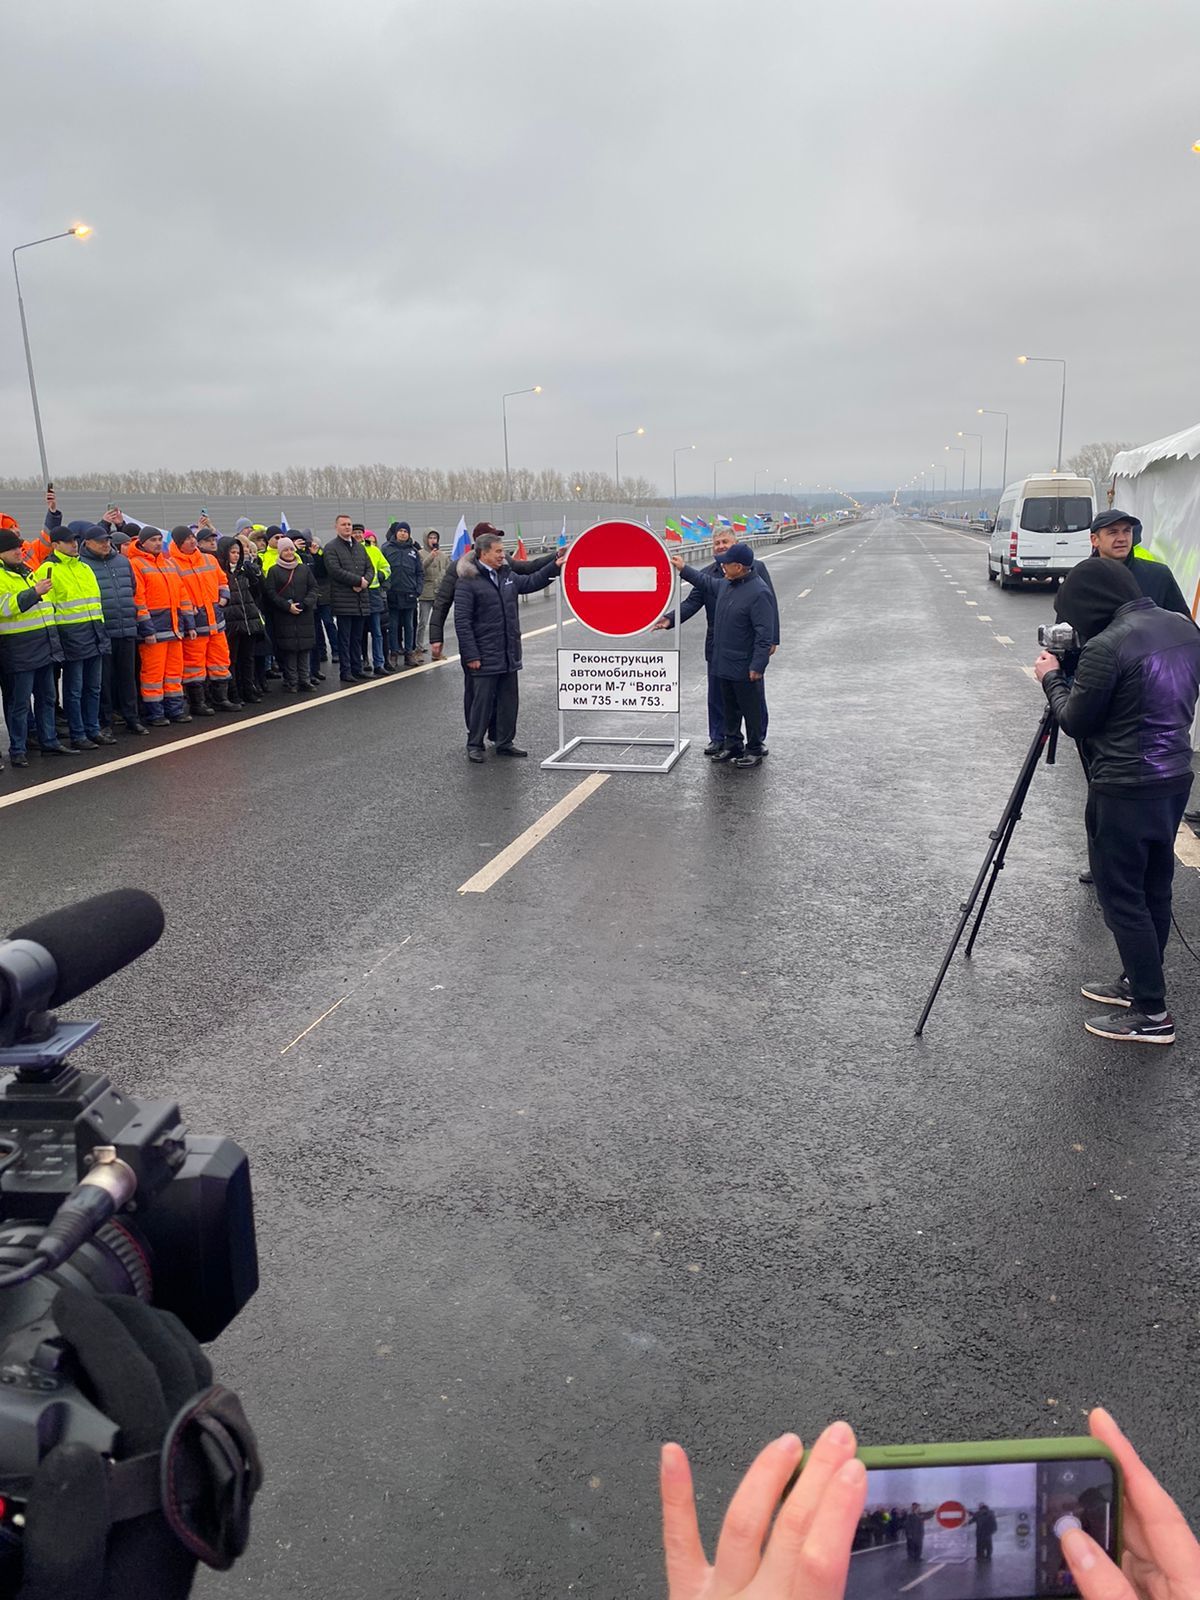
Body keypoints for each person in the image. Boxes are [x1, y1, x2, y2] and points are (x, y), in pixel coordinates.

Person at [661, 1408, 1200, 1600]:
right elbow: (946, 1515)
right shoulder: (921, 1516)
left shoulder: (979, 1515)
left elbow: (969, 1516)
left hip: (972, 1538)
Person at [1034, 558, 1200, 1044]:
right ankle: (1137, 980)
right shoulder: (1183, 628)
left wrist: (1051, 677)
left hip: (1124, 785)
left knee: (1122, 897)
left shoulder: (1108, 645)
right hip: (1173, 776)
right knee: (1154, 887)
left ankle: (1151, 1012)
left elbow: (1077, 719)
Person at [656, 527, 779, 755]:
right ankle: (720, 738)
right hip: (717, 644)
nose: (720, 546)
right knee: (719, 695)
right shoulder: (712, 575)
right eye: (717, 543)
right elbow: (692, 602)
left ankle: (756, 741)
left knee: (751, 698)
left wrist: (772, 639)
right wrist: (670, 619)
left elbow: (769, 608)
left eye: (725, 542)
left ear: (737, 549)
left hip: (745, 645)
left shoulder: (756, 571)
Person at [430, 525, 557, 739]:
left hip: (505, 649)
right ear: (482, 547)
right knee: (479, 696)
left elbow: (530, 573)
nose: (502, 552)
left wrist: (556, 561)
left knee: (506, 697)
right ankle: (475, 738)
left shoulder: (506, 570)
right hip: (480, 649)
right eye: (497, 546)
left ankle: (501, 739)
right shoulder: (463, 574)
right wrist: (437, 637)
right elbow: (447, 606)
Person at [0, 525, 74, 768]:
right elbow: (5, 608)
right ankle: (18, 749)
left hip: (42, 647)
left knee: (47, 698)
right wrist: (35, 592)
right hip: (19, 650)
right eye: (12, 548)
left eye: (19, 547)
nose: (19, 551)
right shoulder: (3, 576)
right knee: (20, 704)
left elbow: (45, 611)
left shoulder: (27, 571)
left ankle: (49, 741)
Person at [36, 522, 112, 750]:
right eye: (69, 542)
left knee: (93, 687)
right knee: (74, 689)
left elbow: (95, 604)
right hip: (71, 637)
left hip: (95, 633)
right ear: (55, 545)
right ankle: (78, 733)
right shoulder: (47, 570)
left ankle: (93, 729)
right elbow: (47, 609)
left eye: (75, 541)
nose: (74, 545)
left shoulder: (84, 567)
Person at [76, 521, 147, 736]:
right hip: (101, 630)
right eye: (100, 542)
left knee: (128, 677)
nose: (106, 544)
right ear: (87, 543)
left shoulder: (123, 562)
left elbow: (132, 589)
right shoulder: (83, 565)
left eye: (107, 540)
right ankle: (104, 722)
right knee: (103, 681)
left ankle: (131, 718)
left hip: (126, 626)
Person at [127, 525, 195, 726]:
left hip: (174, 628)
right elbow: (138, 600)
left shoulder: (167, 564)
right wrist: (147, 629)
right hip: (155, 630)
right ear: (142, 543)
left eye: (159, 539)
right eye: (153, 540)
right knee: (153, 675)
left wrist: (188, 622)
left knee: (174, 673)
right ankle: (154, 713)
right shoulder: (136, 564)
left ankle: (174, 710)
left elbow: (182, 595)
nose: (157, 543)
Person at [169, 524, 234, 716]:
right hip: (195, 624)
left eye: (192, 537)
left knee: (221, 661)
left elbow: (222, 580)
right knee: (194, 666)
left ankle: (221, 698)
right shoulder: (173, 564)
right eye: (186, 538)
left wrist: (223, 597)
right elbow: (177, 593)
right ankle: (198, 703)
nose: (191, 540)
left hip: (216, 621)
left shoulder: (209, 559)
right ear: (179, 543)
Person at [1089, 510, 1192, 617]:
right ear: (1095, 540)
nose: (1122, 539)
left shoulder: (1159, 576)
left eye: (1127, 531)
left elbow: (1184, 624)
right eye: (1113, 532)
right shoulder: (1084, 580)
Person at [262, 536, 318, 691]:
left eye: (291, 549)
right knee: (290, 650)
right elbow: (271, 593)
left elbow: (313, 588)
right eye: (285, 550)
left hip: (304, 614)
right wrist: (287, 606)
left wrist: (305, 603)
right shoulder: (274, 571)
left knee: (304, 648)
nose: (289, 552)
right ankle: (292, 680)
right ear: (280, 552)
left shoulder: (303, 569)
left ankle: (305, 679)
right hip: (284, 615)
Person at [217, 535, 266, 705]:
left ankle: (248, 690)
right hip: (232, 622)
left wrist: (255, 575)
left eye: (238, 552)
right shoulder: (220, 573)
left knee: (248, 658)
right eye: (232, 552)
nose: (236, 555)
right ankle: (234, 693)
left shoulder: (244, 572)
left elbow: (257, 593)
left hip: (248, 620)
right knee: (233, 660)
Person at [323, 514, 373, 682]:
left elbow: (370, 568)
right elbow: (334, 570)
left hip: (361, 599)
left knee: (357, 638)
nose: (347, 527)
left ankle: (357, 668)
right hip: (344, 600)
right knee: (345, 638)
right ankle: (346, 671)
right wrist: (357, 580)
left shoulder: (360, 547)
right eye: (343, 524)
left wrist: (365, 581)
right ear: (336, 527)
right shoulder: (331, 548)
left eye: (349, 524)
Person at [383, 520, 423, 668]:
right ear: (396, 533)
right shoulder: (386, 549)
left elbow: (420, 573)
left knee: (409, 625)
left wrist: (418, 589)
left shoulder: (413, 551)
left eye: (406, 531)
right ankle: (393, 653)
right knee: (393, 625)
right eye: (401, 531)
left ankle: (409, 654)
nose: (403, 533)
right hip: (392, 592)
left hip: (409, 593)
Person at [358, 527, 392, 676]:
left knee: (377, 631)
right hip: (358, 593)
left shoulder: (374, 550)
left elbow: (386, 567)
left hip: (374, 592)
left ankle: (379, 663)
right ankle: (363, 659)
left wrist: (380, 576)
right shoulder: (351, 550)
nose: (358, 535)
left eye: (360, 532)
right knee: (361, 632)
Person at [417, 530, 449, 659]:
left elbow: (447, 571)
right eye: (430, 537)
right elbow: (420, 569)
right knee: (423, 622)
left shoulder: (443, 555)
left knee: (437, 623)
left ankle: (438, 650)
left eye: (435, 537)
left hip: (439, 591)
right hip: (426, 591)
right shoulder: (420, 554)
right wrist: (431, 556)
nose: (433, 540)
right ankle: (418, 647)